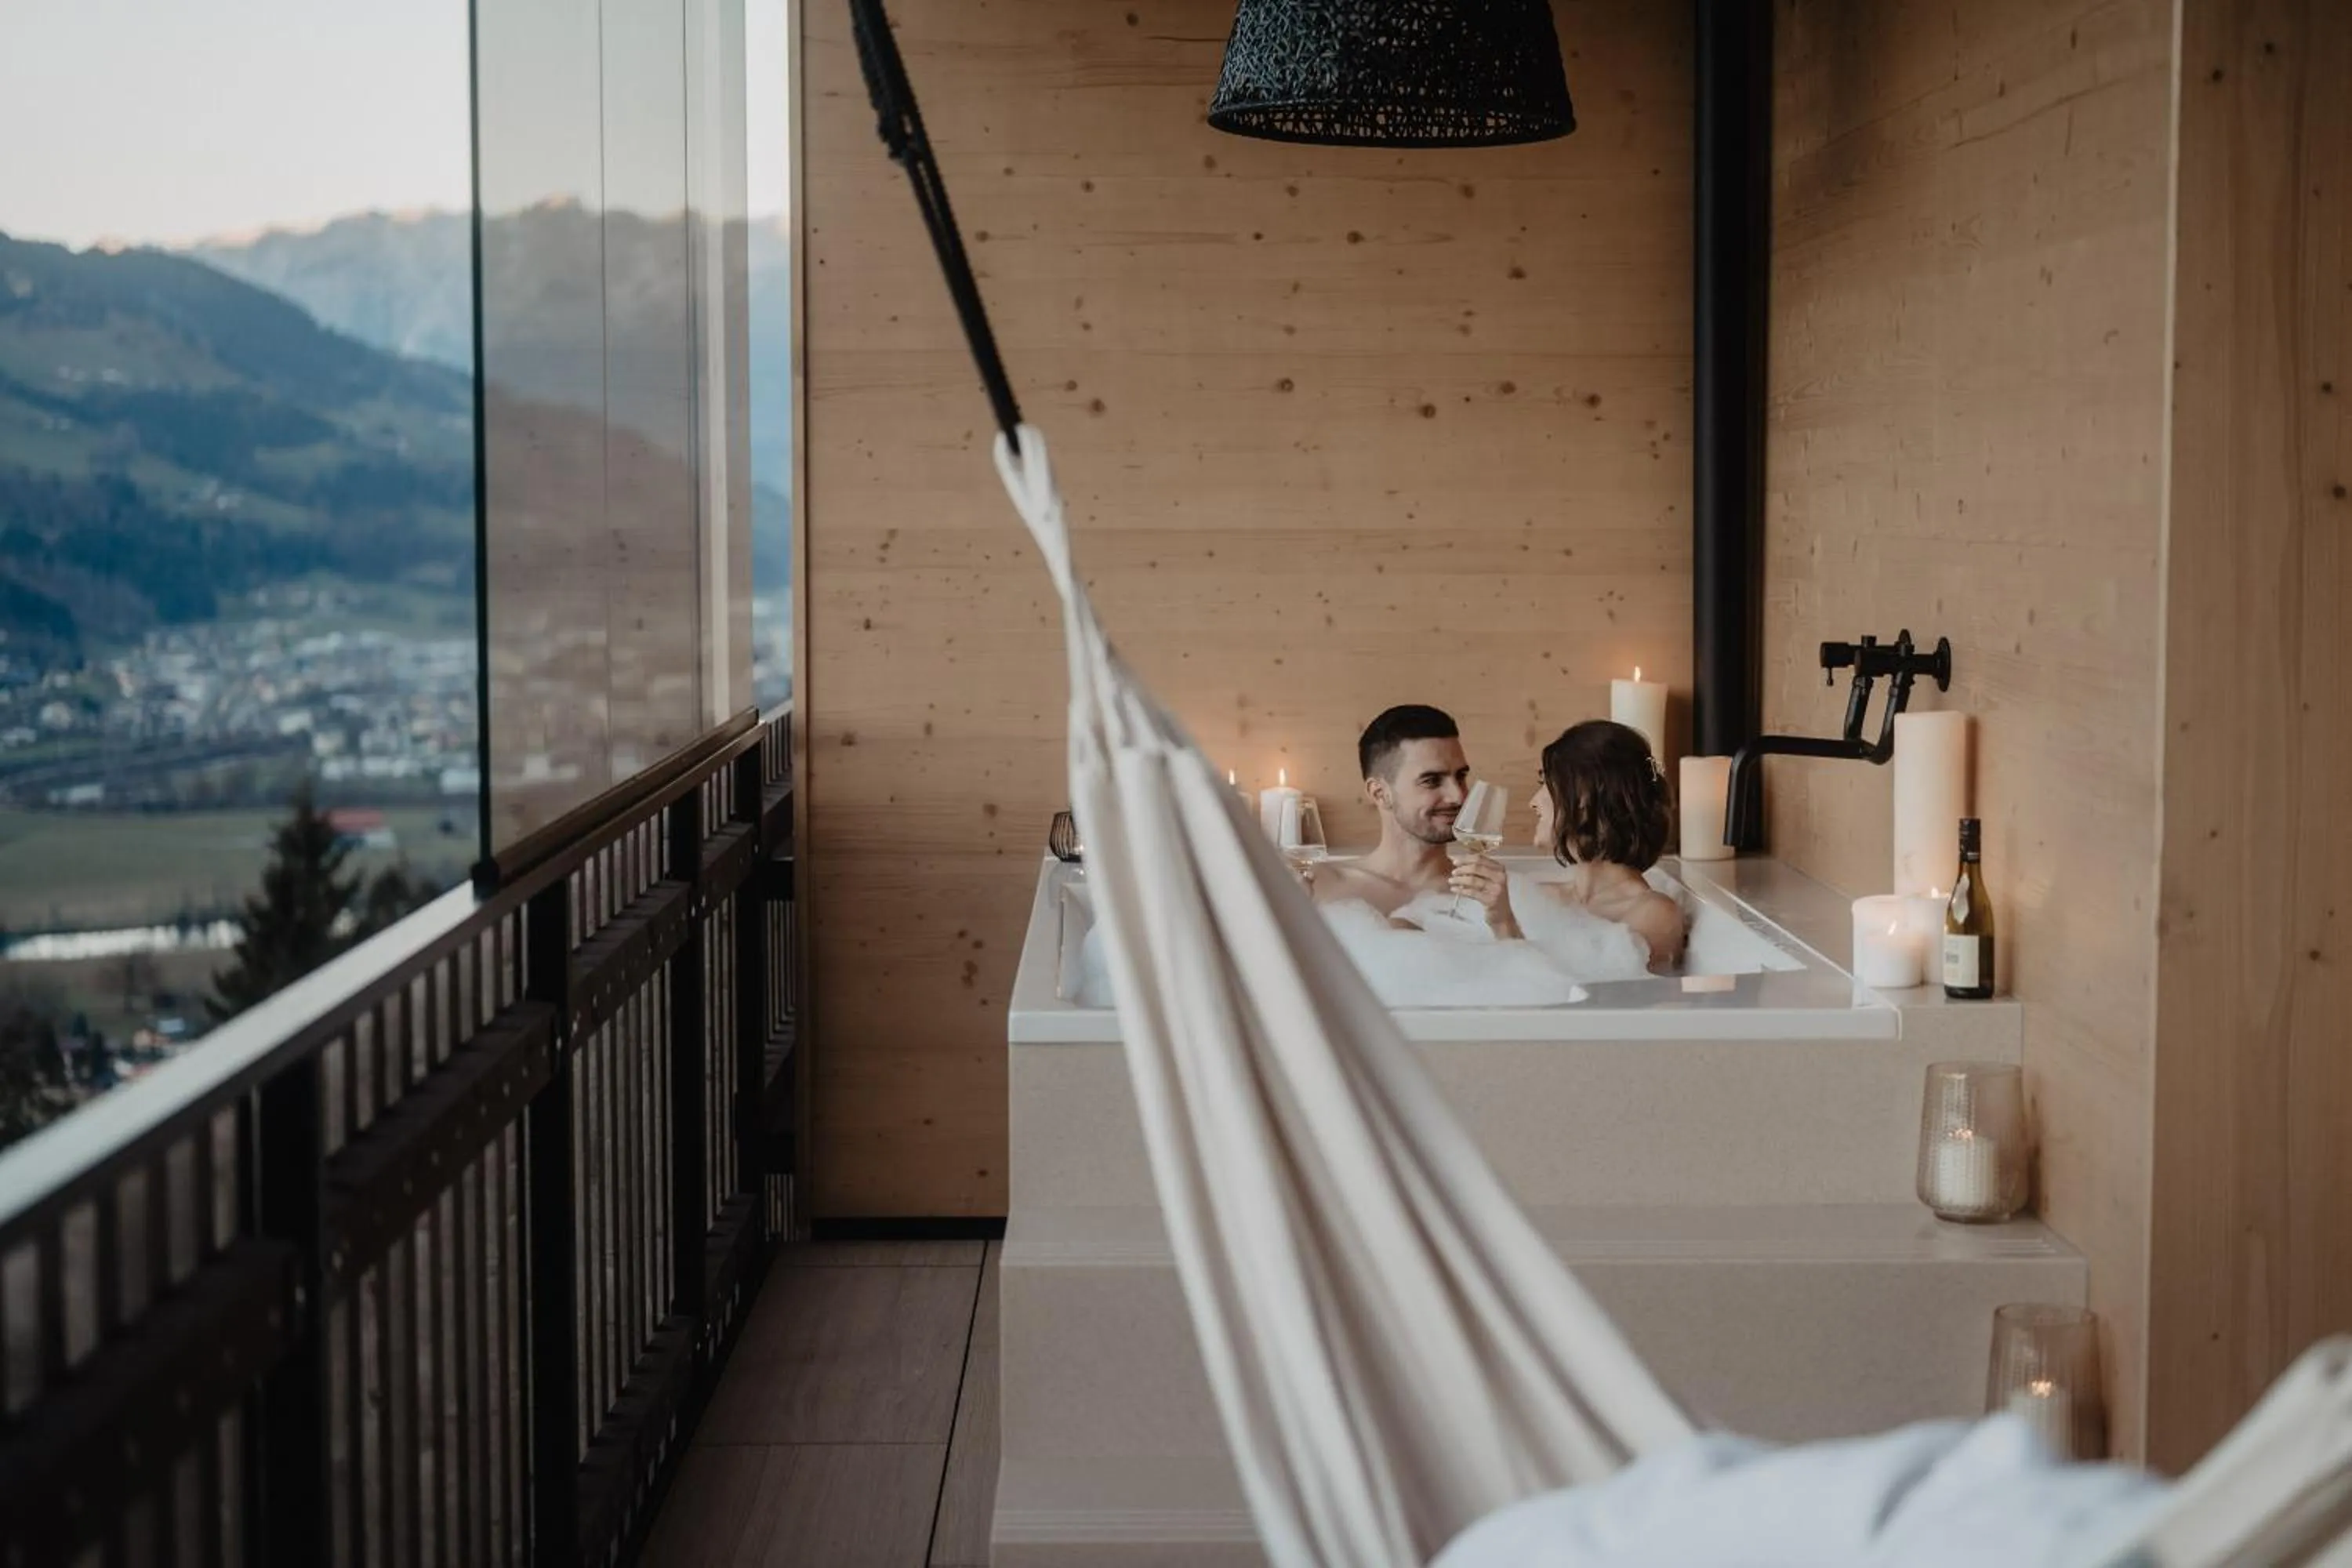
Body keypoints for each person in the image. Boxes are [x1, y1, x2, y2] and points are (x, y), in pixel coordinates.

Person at [1448, 719, 1685, 971]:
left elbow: (1588, 1004)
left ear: (1584, 795)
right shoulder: (1540, 897)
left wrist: (1503, 924)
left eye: (1545, 784)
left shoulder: (1653, 914)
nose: (1533, 802)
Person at [1305, 704, 1480, 921]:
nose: (1459, 797)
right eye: (1432, 781)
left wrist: (1504, 923)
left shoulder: (1486, 894)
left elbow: (1518, 954)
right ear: (1380, 793)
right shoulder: (1321, 887)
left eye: (1461, 776)